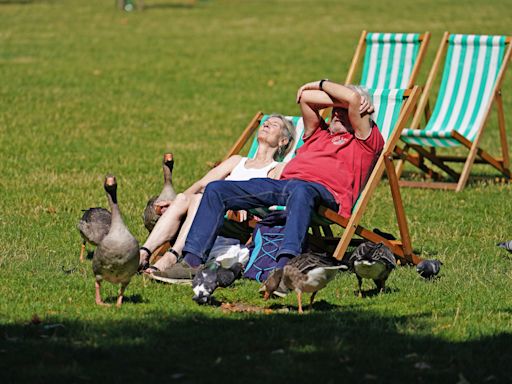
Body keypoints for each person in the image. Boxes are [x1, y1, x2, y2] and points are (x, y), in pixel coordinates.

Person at [162, 80, 384, 279]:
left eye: (342, 110)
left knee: (302, 190)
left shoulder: (365, 142)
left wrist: (346, 97)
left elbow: (353, 100)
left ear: (359, 112)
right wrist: (325, 88)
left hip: (323, 194)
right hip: (284, 186)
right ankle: (191, 262)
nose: (335, 113)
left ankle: (285, 266)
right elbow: (306, 98)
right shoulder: (319, 134)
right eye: (334, 108)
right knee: (217, 189)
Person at [139, 114, 295, 275]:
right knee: (183, 198)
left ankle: (172, 257)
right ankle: (143, 253)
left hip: (241, 222)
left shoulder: (278, 168)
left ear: (283, 141)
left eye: (274, 125)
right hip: (217, 212)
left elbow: (272, 197)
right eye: (266, 122)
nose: (266, 124)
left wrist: (243, 204)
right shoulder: (236, 161)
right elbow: (201, 184)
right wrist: (176, 204)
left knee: (200, 199)